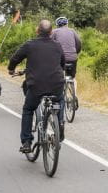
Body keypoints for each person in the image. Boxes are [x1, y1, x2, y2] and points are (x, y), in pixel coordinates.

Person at [8, 19, 66, 153]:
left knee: (28, 109)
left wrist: (11, 69)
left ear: (37, 30)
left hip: (36, 85)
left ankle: (27, 142)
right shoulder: (57, 45)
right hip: (56, 84)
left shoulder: (30, 45)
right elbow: (62, 62)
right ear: (51, 32)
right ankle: (60, 123)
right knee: (59, 100)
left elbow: (15, 58)